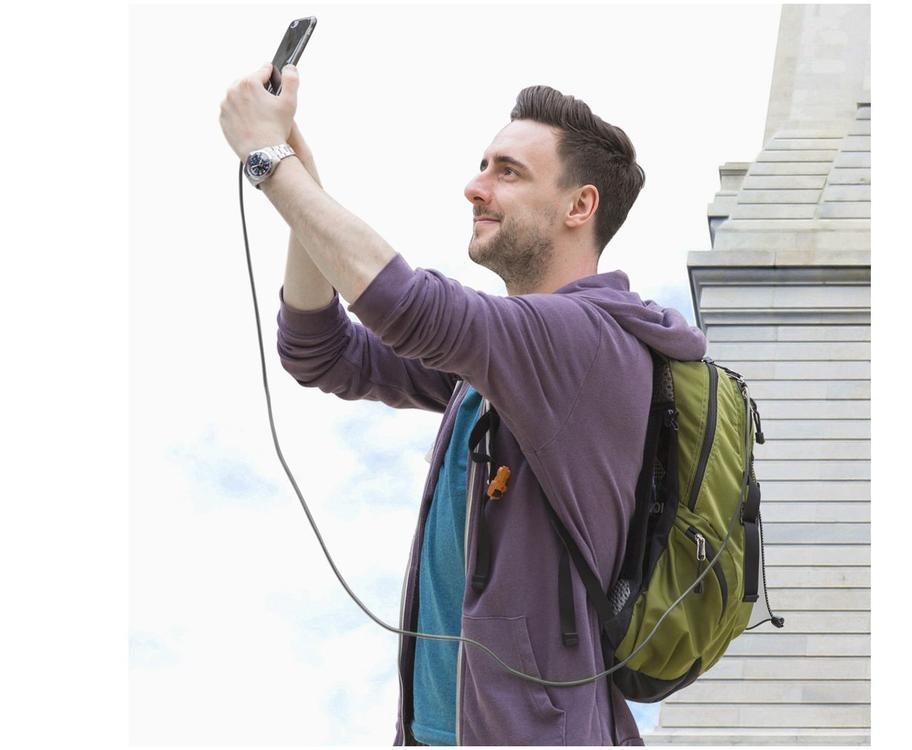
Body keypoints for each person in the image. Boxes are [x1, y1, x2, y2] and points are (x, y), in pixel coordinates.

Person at [220, 65, 706, 746]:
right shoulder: (500, 365)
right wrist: (304, 190)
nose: (474, 186)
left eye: (508, 171)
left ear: (579, 207)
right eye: (483, 165)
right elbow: (321, 351)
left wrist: (269, 164)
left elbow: (409, 307)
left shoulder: (588, 344)